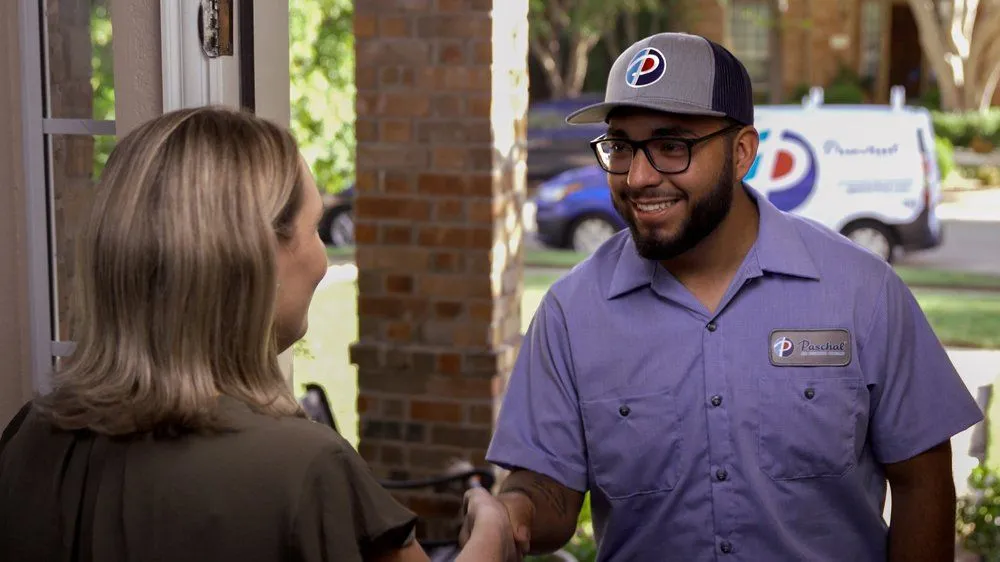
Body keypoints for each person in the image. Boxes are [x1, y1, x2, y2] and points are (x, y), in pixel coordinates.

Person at [475, 32, 984, 561]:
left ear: (742, 152)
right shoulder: (570, 314)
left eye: (672, 146)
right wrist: (511, 514)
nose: (639, 176)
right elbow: (547, 488)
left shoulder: (863, 292)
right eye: (622, 146)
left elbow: (921, 480)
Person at [0, 107, 517, 562]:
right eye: (315, 230)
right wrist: (491, 532)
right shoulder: (306, 470)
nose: (323, 259)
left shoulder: (29, 436)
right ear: (253, 261)